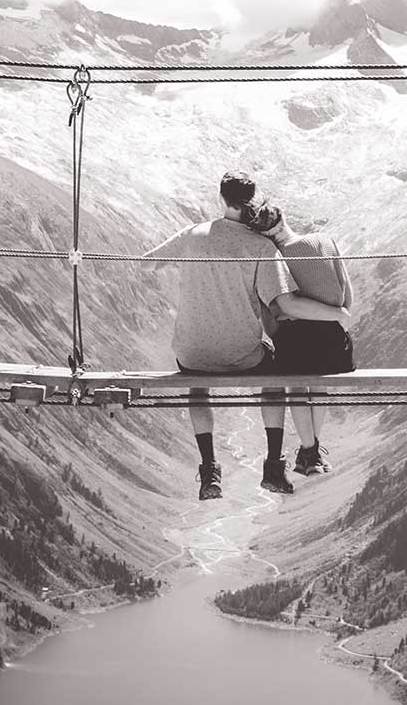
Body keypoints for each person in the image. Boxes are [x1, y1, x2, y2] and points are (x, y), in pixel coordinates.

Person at [144, 172, 354, 500]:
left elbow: (147, 264)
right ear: (252, 199)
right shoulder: (260, 246)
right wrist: (337, 314)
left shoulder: (192, 234)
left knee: (196, 385)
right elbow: (285, 303)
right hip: (242, 356)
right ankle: (273, 466)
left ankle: (209, 470)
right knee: (275, 373)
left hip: (191, 353)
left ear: (221, 199)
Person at [246, 201, 354, 477]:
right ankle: (311, 451)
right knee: (320, 387)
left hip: (297, 342)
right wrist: (335, 315)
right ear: (284, 219)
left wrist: (279, 333)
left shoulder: (273, 256)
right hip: (336, 343)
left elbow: (276, 310)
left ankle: (310, 451)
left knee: (297, 387)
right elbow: (347, 296)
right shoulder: (324, 240)